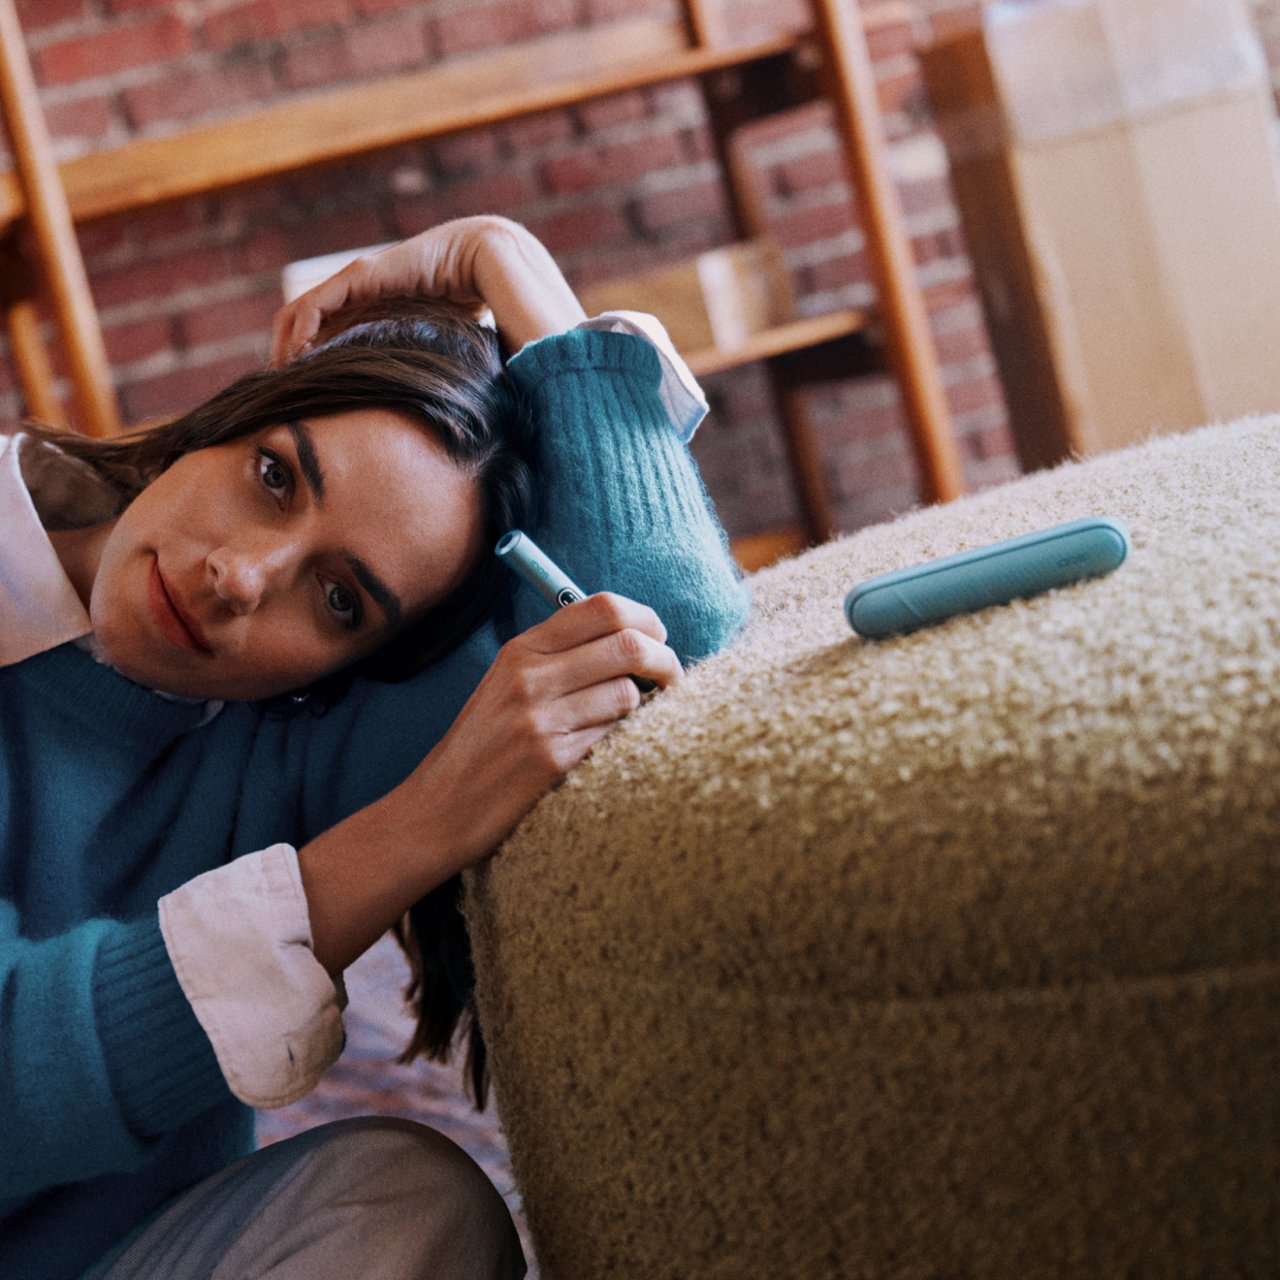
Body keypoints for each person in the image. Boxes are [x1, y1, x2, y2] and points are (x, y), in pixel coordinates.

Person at [0, 215, 750, 1279]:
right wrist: (418, 824)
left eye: (341, 595)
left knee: (407, 1202)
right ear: (234, 415)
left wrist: (510, 261)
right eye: (273, 477)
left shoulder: (289, 714)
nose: (241, 579)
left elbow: (656, 628)